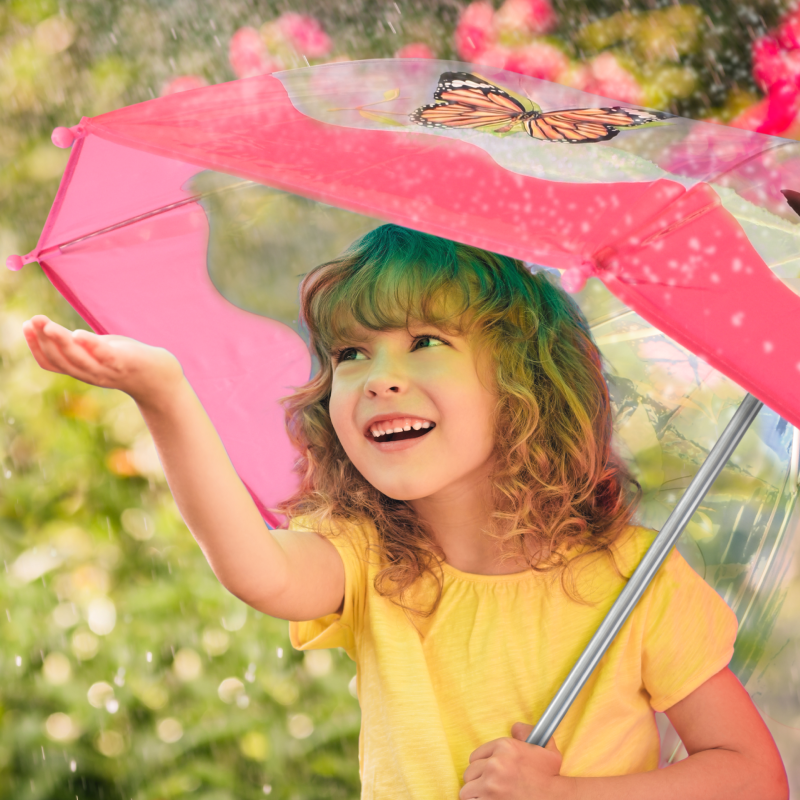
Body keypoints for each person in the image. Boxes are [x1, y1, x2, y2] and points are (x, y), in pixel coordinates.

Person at [22, 224, 787, 800]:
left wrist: (564, 795)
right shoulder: (368, 557)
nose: (379, 379)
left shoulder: (634, 581)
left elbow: (753, 776)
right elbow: (255, 569)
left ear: (523, 387)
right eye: (352, 354)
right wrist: (167, 396)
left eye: (425, 342)